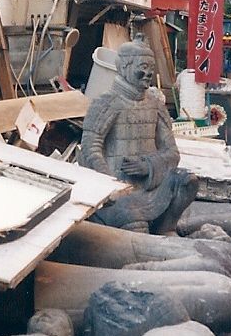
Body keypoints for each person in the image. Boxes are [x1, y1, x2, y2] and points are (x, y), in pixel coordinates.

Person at [80, 35, 198, 233]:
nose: (148, 73)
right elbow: (90, 150)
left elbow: (172, 152)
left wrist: (148, 166)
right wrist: (111, 184)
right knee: (134, 221)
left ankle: (166, 227)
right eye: (143, 67)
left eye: (151, 68)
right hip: (118, 192)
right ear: (124, 67)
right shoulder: (106, 102)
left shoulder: (155, 105)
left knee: (188, 181)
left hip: (150, 188)